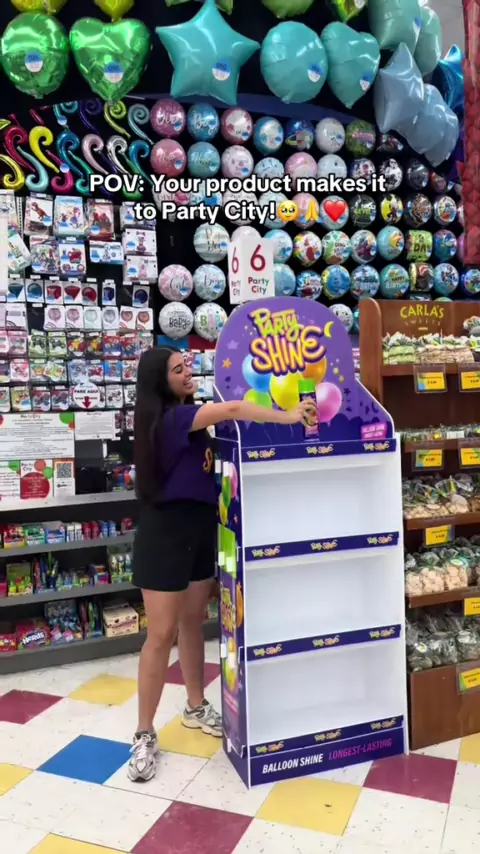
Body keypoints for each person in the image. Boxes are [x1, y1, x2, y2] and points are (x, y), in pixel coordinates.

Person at [129, 346, 315, 782]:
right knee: (160, 635)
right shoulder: (172, 419)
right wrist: (290, 416)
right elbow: (232, 408)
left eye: (186, 366)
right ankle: (143, 732)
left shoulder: (188, 417)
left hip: (199, 528)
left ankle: (195, 706)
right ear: (160, 381)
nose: (187, 373)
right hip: (165, 533)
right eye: (177, 370)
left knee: (193, 622)